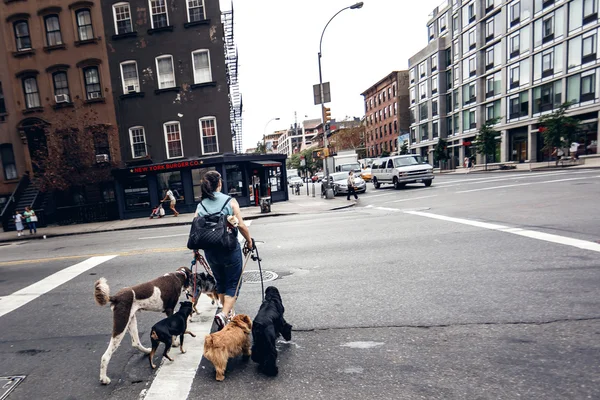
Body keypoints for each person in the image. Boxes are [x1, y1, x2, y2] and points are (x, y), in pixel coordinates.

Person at [194, 171, 253, 331]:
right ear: (219, 183)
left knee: (220, 282)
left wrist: (196, 251)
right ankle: (223, 313)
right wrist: (249, 241)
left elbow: (196, 230)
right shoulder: (230, 201)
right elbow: (240, 225)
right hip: (229, 248)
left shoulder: (201, 205)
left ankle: (227, 312)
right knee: (234, 282)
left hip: (211, 251)